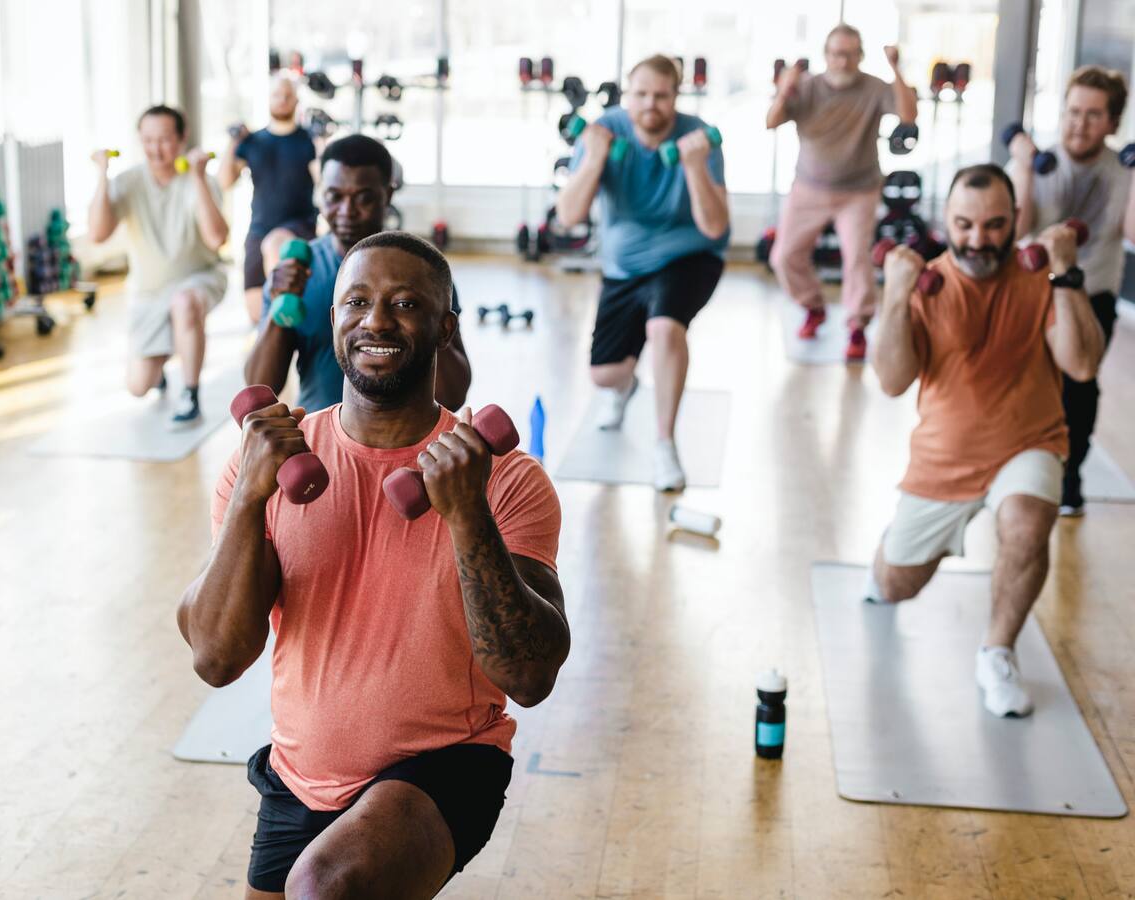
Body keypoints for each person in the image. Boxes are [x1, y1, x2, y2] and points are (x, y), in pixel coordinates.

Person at [176, 231, 569, 898]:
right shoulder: (268, 466)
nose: (377, 320)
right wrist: (247, 496)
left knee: (327, 888)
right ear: (332, 322)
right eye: (356, 301)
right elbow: (216, 658)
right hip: (301, 776)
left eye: (406, 304)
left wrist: (467, 513)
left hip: (446, 764)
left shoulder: (504, 479)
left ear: (446, 329)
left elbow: (529, 675)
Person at [867, 164, 1103, 718]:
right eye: (965, 225)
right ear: (945, 221)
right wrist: (896, 297)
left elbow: (1082, 364)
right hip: (944, 459)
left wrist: (1066, 272)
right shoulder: (930, 285)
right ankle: (887, 551)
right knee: (896, 583)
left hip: (1029, 441)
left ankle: (996, 651)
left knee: (1027, 521)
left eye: (995, 225)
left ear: (1015, 219)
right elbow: (893, 380)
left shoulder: (1037, 278)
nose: (979, 240)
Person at [555, 54, 730, 492]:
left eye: (661, 95)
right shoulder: (602, 131)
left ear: (676, 97)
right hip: (624, 265)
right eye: (641, 94)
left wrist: (693, 167)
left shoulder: (698, 138)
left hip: (689, 256)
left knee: (665, 330)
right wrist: (594, 159)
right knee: (604, 375)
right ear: (627, 94)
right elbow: (570, 217)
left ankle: (664, 444)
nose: (650, 104)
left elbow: (715, 225)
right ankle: (624, 389)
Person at [245, 135, 471, 412]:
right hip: (319, 442)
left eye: (363, 198)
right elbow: (260, 388)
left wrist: (427, 311)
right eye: (335, 197)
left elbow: (453, 396)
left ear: (387, 195)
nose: (347, 211)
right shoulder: (296, 273)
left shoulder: (422, 271)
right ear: (321, 194)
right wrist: (279, 309)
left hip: (408, 443)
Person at [1006, 65, 1135, 516]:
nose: (1080, 123)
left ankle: (1069, 475)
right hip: (1031, 293)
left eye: (1094, 115)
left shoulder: (1122, 170)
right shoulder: (1038, 163)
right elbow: (1016, 227)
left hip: (1090, 294)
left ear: (1113, 123)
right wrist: (1023, 163)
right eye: (1073, 111)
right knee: (1024, 381)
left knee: (1080, 387)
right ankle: (1017, 466)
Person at [767, 23, 919, 361]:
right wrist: (785, 88)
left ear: (861, 56)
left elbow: (908, 114)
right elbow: (771, 121)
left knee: (856, 258)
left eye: (851, 54)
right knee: (784, 256)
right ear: (826, 55)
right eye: (837, 54)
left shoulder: (874, 88)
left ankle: (856, 327)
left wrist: (896, 68)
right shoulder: (807, 88)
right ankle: (813, 306)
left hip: (858, 191)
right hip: (808, 187)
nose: (843, 61)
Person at [88, 104, 229, 425]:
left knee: (184, 303)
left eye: (165, 139)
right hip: (149, 292)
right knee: (138, 386)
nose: (156, 148)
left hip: (201, 277)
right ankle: (164, 359)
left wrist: (197, 177)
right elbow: (97, 234)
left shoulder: (200, 181)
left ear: (182, 138)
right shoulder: (128, 182)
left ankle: (190, 393)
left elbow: (217, 238)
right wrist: (101, 175)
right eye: (148, 140)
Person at [218, 75, 320, 324]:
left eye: (288, 95)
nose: (283, 100)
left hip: (300, 227)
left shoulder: (308, 140)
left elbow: (325, 182)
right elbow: (225, 181)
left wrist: (322, 142)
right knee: (257, 314)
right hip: (259, 228)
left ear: (296, 100)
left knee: (276, 251)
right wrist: (233, 141)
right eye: (277, 95)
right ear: (268, 99)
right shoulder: (253, 141)